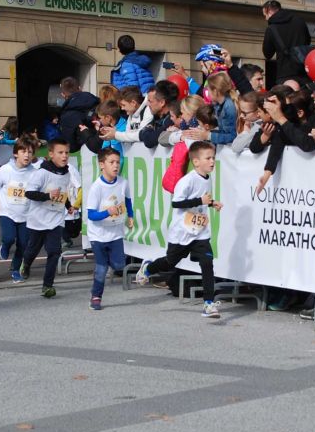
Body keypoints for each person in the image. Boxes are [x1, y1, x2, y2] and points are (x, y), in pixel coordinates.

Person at [135, 141, 224, 319]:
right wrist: (200, 201)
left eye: (213, 158)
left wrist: (212, 203)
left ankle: (208, 303)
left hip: (200, 231)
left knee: (207, 263)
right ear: (196, 161)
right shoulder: (187, 180)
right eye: (208, 158)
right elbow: (176, 203)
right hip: (181, 231)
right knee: (170, 262)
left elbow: (202, 200)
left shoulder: (208, 178)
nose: (212, 161)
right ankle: (148, 268)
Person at [21, 139, 73, 299]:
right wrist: (47, 196)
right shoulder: (41, 173)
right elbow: (29, 193)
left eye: (66, 153)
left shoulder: (67, 173)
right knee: (33, 249)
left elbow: (62, 192)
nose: (64, 156)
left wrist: (68, 205)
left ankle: (47, 285)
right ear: (51, 154)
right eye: (60, 152)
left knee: (54, 252)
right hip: (38, 219)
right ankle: (26, 263)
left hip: (56, 220)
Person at [85, 148, 134, 311]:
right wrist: (107, 212)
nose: (115, 166)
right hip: (98, 234)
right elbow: (91, 215)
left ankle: (109, 263)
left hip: (115, 233)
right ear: (101, 165)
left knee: (119, 265)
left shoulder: (123, 182)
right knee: (101, 268)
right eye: (111, 162)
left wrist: (131, 216)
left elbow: (127, 201)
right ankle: (96, 296)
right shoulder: (96, 188)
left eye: (117, 162)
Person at [0, 140, 36, 283]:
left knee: (23, 244)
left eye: (30, 152)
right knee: (9, 237)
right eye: (23, 152)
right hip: (8, 213)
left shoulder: (34, 173)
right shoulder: (6, 170)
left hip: (26, 215)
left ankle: (15, 269)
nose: (27, 155)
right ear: (15, 154)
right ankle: (5, 246)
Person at [262, 0, 312, 86]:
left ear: (268, 11)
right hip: (303, 71)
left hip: (285, 74)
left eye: (265, 15)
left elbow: (267, 54)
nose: (265, 18)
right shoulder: (299, 21)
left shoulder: (272, 28)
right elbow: (308, 40)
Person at [181, 72, 237, 145]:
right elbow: (222, 131)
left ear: (215, 91)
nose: (207, 94)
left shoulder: (229, 107)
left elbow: (232, 136)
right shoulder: (219, 105)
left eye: (208, 90)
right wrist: (203, 133)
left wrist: (208, 135)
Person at [58, 77, 100, 152]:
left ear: (63, 94)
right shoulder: (97, 102)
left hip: (85, 153)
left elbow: (71, 146)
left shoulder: (67, 116)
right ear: (80, 88)